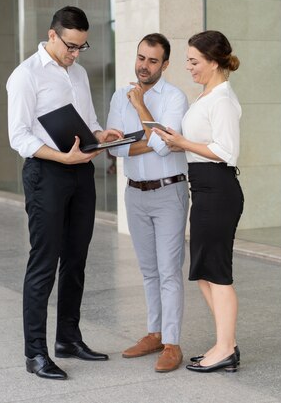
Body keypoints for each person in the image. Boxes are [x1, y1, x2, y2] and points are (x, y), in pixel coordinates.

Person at [6, 6, 122, 381]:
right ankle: (35, 353)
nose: (75, 54)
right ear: (52, 35)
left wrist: (101, 134)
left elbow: (87, 122)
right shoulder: (25, 76)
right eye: (71, 46)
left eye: (81, 48)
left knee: (76, 260)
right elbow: (19, 136)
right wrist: (60, 157)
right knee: (43, 263)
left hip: (80, 171)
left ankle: (68, 339)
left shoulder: (80, 72)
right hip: (47, 173)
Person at [153, 30, 244, 373]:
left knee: (217, 273)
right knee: (205, 272)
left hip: (219, 192)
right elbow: (205, 145)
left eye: (193, 61)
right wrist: (179, 144)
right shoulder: (207, 95)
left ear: (213, 61)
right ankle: (226, 343)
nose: (188, 67)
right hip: (205, 190)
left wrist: (183, 143)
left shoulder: (221, 99)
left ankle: (225, 348)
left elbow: (226, 151)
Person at [106, 33, 189, 372]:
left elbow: (166, 145)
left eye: (153, 60)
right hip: (134, 192)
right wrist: (150, 139)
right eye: (141, 57)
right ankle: (154, 333)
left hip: (169, 192)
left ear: (164, 64)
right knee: (149, 270)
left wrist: (140, 105)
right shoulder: (117, 95)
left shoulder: (175, 97)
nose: (144, 65)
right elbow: (112, 147)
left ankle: (172, 343)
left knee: (169, 271)